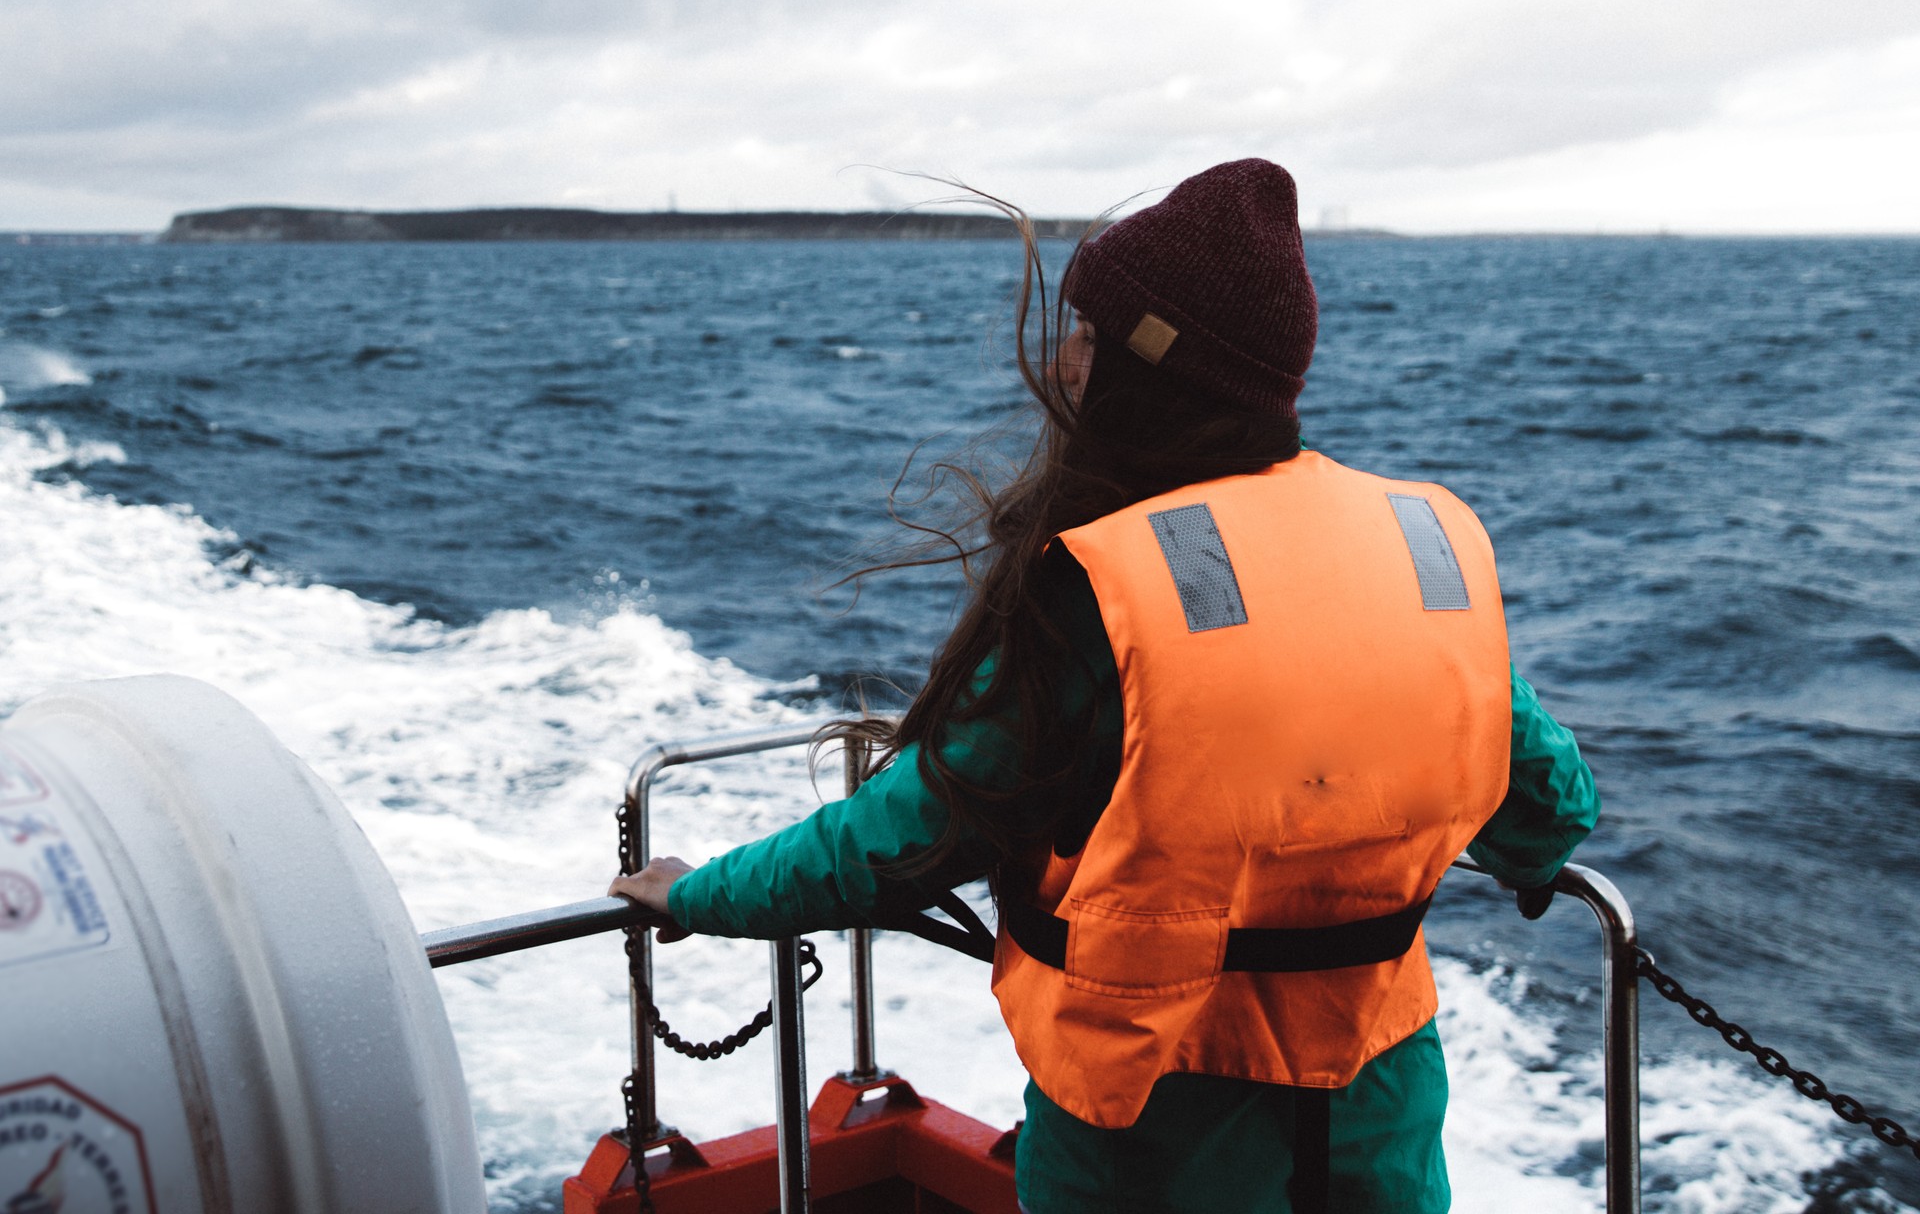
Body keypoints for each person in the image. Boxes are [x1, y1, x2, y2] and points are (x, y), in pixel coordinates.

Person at [612, 159, 1598, 1213]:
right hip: (1379, 1131)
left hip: (1152, 1147)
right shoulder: (1415, 550)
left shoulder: (1102, 593)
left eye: (1089, 334)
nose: (1067, 358)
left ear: (1148, 367)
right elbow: (1546, 805)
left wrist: (699, 892)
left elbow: (904, 842)